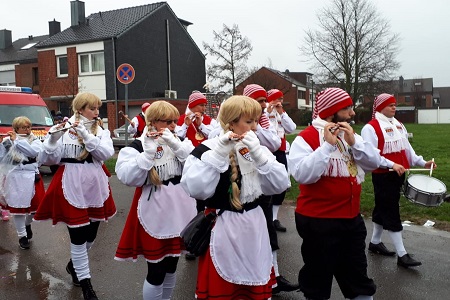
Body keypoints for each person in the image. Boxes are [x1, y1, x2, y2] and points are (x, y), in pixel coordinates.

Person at [181, 95, 291, 299]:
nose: (256, 127)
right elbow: (196, 189)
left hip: (255, 227)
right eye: (250, 122)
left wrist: (258, 154)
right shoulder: (208, 149)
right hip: (224, 228)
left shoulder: (258, 148)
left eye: (256, 121)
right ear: (231, 122)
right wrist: (220, 152)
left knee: (253, 288)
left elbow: (280, 184)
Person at [288, 87, 379, 300]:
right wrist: (326, 148)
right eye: (347, 108)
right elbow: (302, 174)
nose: (352, 113)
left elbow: (373, 163)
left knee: (358, 280)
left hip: (351, 220)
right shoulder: (307, 138)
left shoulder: (350, 135)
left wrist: (354, 143)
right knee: (317, 282)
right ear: (331, 111)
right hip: (318, 222)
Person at [34, 92, 116, 300]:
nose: (97, 112)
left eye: (98, 108)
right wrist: (52, 139)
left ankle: (74, 265)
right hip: (71, 182)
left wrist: (88, 136)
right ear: (80, 109)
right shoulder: (64, 128)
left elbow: (105, 154)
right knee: (78, 237)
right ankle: (87, 284)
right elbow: (48, 160)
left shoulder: (101, 130)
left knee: (91, 235)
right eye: (93, 108)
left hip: (95, 183)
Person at [114, 100, 197, 300]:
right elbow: (126, 175)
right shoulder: (139, 145)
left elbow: (196, 167)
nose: (173, 126)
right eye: (167, 121)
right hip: (155, 209)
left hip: (180, 209)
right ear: (153, 121)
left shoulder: (179, 141)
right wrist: (148, 154)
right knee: (156, 269)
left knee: (172, 265)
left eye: (175, 121)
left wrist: (177, 145)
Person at [361, 93, 436, 268]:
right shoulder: (370, 128)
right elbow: (371, 156)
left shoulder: (398, 125)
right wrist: (391, 164)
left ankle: (374, 243)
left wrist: (422, 162)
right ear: (379, 107)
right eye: (390, 105)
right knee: (391, 211)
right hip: (383, 175)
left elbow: (407, 149)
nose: (394, 107)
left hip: (398, 174)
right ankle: (402, 254)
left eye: (395, 105)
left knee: (382, 207)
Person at [243, 84, 298, 294]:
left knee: (267, 230)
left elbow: (275, 142)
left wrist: (256, 127)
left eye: (264, 101)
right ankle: (250, 278)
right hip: (242, 186)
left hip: (262, 178)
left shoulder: (264, 119)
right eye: (258, 102)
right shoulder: (236, 118)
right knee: (248, 235)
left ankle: (273, 277)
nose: (263, 105)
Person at [176, 91, 216, 260]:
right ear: (192, 105)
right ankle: (192, 237)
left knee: (204, 201)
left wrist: (201, 125)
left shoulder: (208, 121)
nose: (203, 107)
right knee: (190, 202)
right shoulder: (180, 120)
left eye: (204, 105)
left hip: (205, 163)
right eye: (200, 104)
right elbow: (177, 137)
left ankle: (204, 235)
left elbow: (215, 135)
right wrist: (186, 125)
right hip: (188, 164)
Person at [0, 116, 44, 249]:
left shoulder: (35, 140)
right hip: (15, 177)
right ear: (16, 128)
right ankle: (22, 236)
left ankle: (27, 224)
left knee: (35, 209)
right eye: (23, 127)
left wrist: (17, 140)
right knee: (18, 209)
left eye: (28, 127)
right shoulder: (8, 140)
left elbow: (32, 152)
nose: (27, 129)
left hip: (31, 175)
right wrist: (1, 144)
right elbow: (2, 158)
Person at [265, 89, 296, 232]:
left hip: (280, 151)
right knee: (266, 184)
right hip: (266, 152)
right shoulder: (264, 112)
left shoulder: (282, 113)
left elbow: (291, 128)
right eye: (277, 99)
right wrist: (268, 112)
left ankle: (274, 218)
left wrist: (281, 113)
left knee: (281, 184)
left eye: (281, 99)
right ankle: (265, 217)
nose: (280, 102)